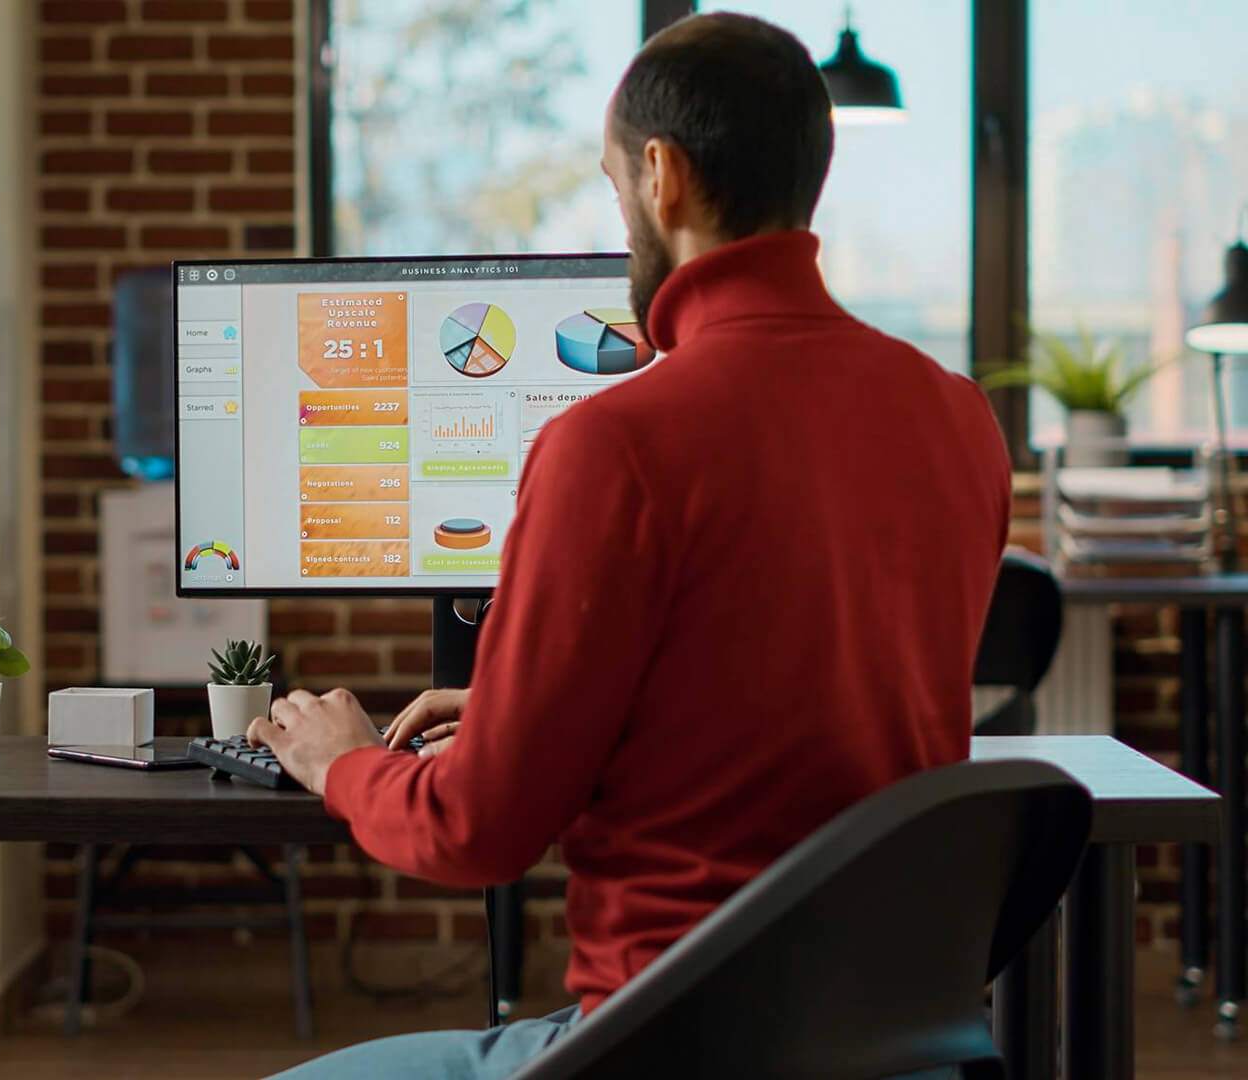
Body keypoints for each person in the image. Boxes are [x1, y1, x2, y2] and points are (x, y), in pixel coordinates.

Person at [248, 12, 1012, 1080]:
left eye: (615, 191)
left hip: (667, 1044)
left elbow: (476, 833)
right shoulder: (957, 417)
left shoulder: (612, 444)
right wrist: (567, 712)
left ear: (662, 177)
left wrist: (348, 765)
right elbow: (807, 709)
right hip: (891, 1044)